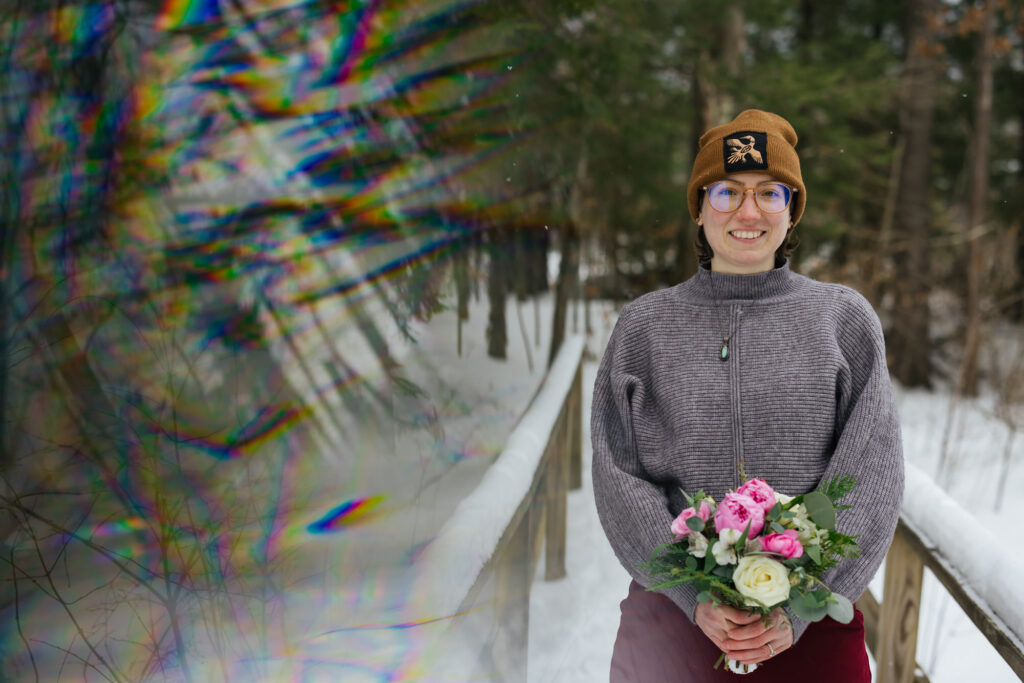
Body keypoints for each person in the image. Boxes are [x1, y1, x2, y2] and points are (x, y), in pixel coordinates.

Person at [591, 109, 904, 681]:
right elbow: (619, 474)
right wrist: (693, 594)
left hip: (810, 631)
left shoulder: (843, 320)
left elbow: (872, 474)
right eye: (726, 192)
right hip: (669, 630)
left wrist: (800, 606)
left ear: (792, 210)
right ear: (700, 206)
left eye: (769, 193)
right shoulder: (644, 328)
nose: (748, 211)